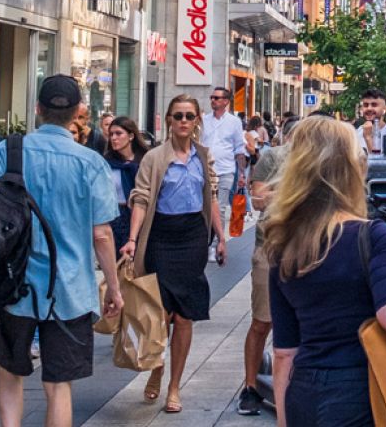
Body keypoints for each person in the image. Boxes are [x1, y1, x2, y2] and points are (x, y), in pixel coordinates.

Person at [0, 75, 124, 427]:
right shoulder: (90, 163)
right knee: (59, 383)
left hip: (15, 284)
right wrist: (114, 288)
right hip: (69, 287)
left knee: (10, 372)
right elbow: (102, 234)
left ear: (38, 109)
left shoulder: (8, 151)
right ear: (77, 113)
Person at [264, 115, 386, 427]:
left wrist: (284, 419)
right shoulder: (372, 235)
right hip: (361, 390)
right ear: (351, 169)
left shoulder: (284, 243)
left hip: (305, 390)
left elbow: (284, 352)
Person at [123, 94, 224, 414]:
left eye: (189, 116)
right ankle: (157, 367)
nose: (183, 121)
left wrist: (221, 237)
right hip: (161, 238)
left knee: (185, 316)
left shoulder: (202, 156)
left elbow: (212, 198)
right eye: (178, 115)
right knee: (161, 314)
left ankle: (174, 386)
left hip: (193, 238)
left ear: (197, 121)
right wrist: (132, 239)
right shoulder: (154, 157)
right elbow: (140, 199)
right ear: (169, 119)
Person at [239, 118, 291, 416]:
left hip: (309, 248)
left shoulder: (325, 162)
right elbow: (258, 200)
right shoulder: (273, 157)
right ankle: (250, 387)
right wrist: (294, 192)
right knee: (262, 320)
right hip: (270, 247)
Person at [200, 86, 249, 258]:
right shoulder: (204, 120)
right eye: (212, 97)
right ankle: (205, 242)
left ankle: (215, 244)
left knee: (219, 208)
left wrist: (242, 174)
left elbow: (239, 149)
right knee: (205, 209)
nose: (213, 100)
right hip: (205, 171)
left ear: (226, 102)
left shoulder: (234, 122)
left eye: (217, 98)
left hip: (226, 170)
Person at [101, 116, 147, 253]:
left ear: (131, 136)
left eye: (118, 133)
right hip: (115, 216)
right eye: (111, 134)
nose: (114, 138)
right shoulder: (106, 162)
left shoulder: (145, 160)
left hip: (140, 215)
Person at [355, 88, 386, 156]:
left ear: (385, 109)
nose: (369, 108)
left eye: (374, 105)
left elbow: (381, 165)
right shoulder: (356, 134)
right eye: (365, 105)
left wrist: (368, 137)